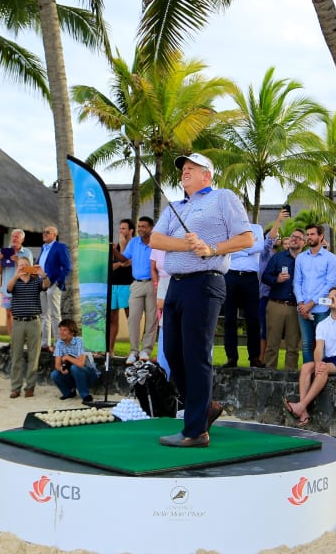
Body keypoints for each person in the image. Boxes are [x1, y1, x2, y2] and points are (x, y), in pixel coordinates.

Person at [150, 152, 252, 448]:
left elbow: (246, 238)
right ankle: (204, 408)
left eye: (191, 168)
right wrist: (186, 244)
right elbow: (156, 240)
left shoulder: (223, 197)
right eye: (183, 168)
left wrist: (211, 248)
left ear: (207, 174)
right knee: (172, 353)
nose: (184, 171)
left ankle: (195, 431)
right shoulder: (175, 206)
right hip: (176, 285)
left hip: (205, 282)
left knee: (195, 355)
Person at [283, 287, 336, 426]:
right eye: (330, 296)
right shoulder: (323, 324)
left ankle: (301, 405)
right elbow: (319, 348)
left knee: (323, 368)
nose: (331, 299)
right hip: (330, 360)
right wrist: (318, 362)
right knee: (307, 366)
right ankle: (304, 412)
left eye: (335, 296)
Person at [222, 222, 265, 368]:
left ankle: (254, 357)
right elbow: (225, 249)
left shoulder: (256, 228)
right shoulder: (229, 228)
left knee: (253, 319)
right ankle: (231, 357)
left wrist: (236, 248)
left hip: (250, 277)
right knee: (229, 318)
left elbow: (259, 247)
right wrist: (248, 248)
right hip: (230, 275)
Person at [7, 256, 50, 398]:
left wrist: (43, 275)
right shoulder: (15, 281)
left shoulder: (36, 281)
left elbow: (46, 285)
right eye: (21, 264)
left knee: (34, 355)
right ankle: (15, 387)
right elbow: (8, 288)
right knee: (16, 355)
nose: (23, 267)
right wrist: (16, 275)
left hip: (33, 322)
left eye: (26, 264)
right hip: (18, 322)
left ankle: (30, 387)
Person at [294, 224, 336, 364]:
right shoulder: (301, 258)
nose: (309, 237)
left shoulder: (330, 258)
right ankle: (308, 373)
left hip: (321, 308)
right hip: (303, 307)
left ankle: (320, 372)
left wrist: (311, 303)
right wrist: (301, 304)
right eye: (308, 234)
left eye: (312, 234)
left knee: (321, 343)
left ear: (321, 236)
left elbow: (330, 283)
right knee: (306, 344)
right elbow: (297, 282)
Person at [261, 228, 303, 368]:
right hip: (276, 304)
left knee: (293, 347)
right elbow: (265, 277)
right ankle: (269, 374)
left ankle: (290, 375)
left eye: (298, 237)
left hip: (296, 307)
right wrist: (276, 279)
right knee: (272, 345)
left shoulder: (306, 260)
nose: (294, 239)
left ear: (304, 243)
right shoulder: (278, 257)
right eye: (292, 236)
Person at [120, 216, 158, 364]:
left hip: (152, 284)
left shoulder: (156, 243)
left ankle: (146, 351)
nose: (140, 229)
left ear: (151, 228)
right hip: (136, 284)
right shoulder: (134, 242)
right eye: (139, 226)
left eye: (143, 226)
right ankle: (134, 351)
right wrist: (113, 250)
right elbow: (124, 259)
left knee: (151, 319)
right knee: (133, 318)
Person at [259, 209, 290, 359]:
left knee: (272, 330)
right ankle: (261, 358)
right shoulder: (265, 254)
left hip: (276, 297)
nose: (277, 237)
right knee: (265, 329)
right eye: (275, 235)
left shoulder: (281, 257)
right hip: (265, 296)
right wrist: (278, 221)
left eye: (279, 236)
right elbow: (268, 243)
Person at [50, 319, 100, 404]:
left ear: (72, 332)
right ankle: (69, 393)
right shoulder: (59, 343)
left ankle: (85, 395)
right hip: (74, 375)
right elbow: (57, 365)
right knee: (54, 374)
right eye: (60, 330)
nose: (61, 332)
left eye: (64, 330)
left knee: (75, 367)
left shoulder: (80, 341)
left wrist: (67, 357)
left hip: (90, 375)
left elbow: (81, 363)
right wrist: (61, 369)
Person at [38, 225, 72, 352]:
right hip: (42, 284)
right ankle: (45, 344)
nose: (45, 234)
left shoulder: (60, 247)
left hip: (53, 284)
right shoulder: (43, 247)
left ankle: (59, 344)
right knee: (44, 315)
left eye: (48, 232)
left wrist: (57, 282)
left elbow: (67, 267)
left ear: (54, 235)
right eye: (44, 232)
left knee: (55, 315)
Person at [0, 228, 34, 330]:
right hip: (7, 290)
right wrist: (0, 260)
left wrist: (17, 260)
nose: (14, 239)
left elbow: (30, 271)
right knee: (9, 315)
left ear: (22, 240)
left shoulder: (27, 253)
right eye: (13, 236)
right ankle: (12, 339)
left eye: (17, 237)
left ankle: (20, 338)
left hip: (22, 290)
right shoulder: (4, 251)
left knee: (19, 315)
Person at [108, 219, 134, 354]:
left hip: (128, 286)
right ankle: (110, 349)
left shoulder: (135, 245)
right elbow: (111, 267)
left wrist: (123, 247)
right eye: (120, 229)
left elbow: (127, 262)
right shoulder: (115, 247)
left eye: (123, 228)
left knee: (131, 318)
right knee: (112, 318)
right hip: (113, 286)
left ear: (131, 231)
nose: (121, 231)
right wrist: (119, 263)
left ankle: (134, 350)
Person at [150, 246, 171, 376]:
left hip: (177, 280)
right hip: (163, 281)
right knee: (163, 322)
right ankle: (163, 366)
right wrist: (156, 285)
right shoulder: (157, 246)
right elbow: (153, 267)